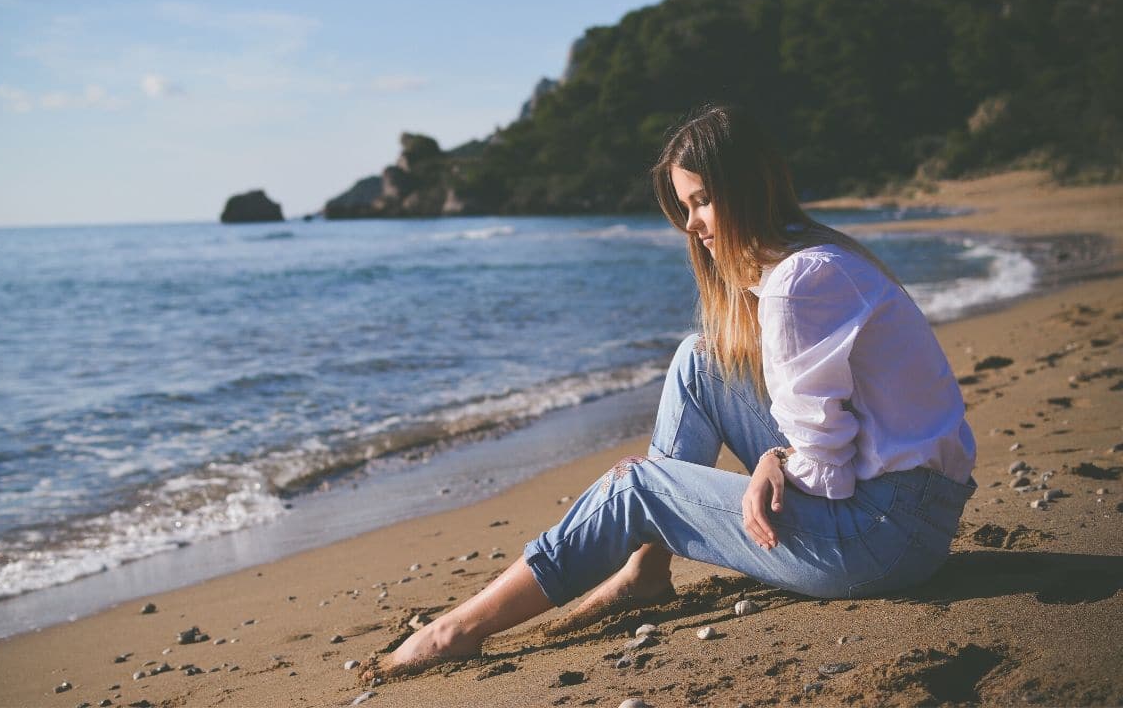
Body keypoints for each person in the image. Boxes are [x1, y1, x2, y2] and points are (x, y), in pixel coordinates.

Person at [370, 104, 977, 677]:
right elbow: (838, 444)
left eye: (704, 201)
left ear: (748, 186)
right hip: (907, 513)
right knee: (699, 360)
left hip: (882, 537)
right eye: (687, 205)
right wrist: (780, 460)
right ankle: (645, 570)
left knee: (638, 485)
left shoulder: (797, 282)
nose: (691, 224)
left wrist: (776, 461)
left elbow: (828, 475)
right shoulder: (815, 258)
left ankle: (459, 629)